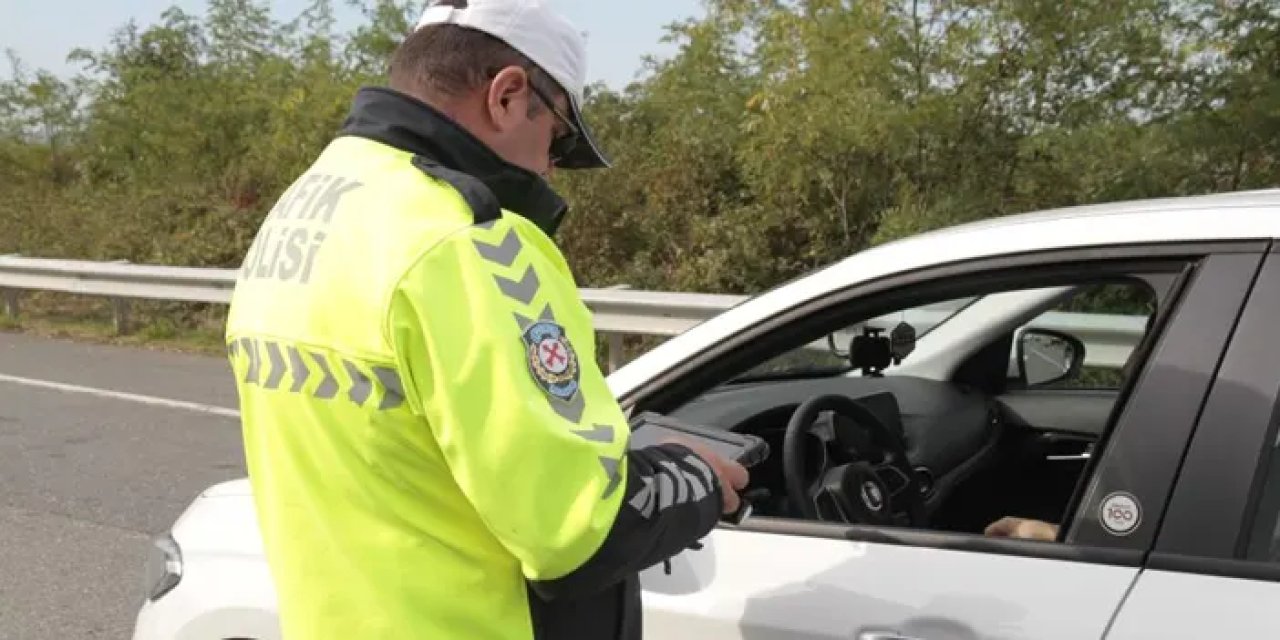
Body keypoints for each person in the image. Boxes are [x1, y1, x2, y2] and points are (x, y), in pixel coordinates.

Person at [223, 1, 748, 638]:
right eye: (557, 137)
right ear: (506, 96)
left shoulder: (305, 207)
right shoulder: (468, 244)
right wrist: (692, 476)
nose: (551, 167)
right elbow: (575, 530)